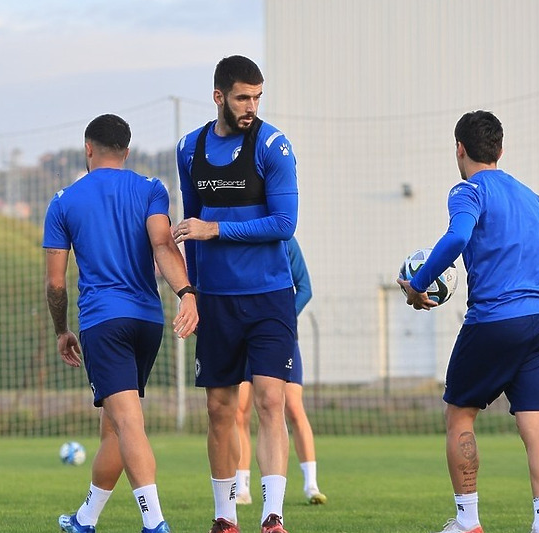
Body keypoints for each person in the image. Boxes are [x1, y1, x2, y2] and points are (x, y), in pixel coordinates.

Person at [396, 110, 539, 533]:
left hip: (494, 320)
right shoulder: (531, 197)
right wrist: (538, 310)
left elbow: (457, 237)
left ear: (459, 148)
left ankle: (467, 521)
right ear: (500, 150)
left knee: (459, 415)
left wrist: (418, 284)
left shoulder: (467, 190)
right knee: (535, 427)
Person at [43, 114, 199, 533]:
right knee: (113, 426)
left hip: (103, 323)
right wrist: (187, 294)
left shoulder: (63, 201)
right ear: (127, 152)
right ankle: (84, 519)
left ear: (87, 148)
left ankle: (155, 523)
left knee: (127, 423)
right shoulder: (151, 189)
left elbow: (55, 283)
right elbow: (163, 244)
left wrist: (62, 331)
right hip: (147, 322)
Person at [173, 55, 298, 533]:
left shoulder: (274, 146)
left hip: (269, 296)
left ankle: (272, 515)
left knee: (269, 400)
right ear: (219, 96)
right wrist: (192, 293)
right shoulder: (189, 148)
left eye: (258, 97)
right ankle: (225, 516)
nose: (252, 106)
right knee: (219, 408)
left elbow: (285, 225)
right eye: (243, 97)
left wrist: (217, 229)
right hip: (216, 299)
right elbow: (190, 225)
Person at [234, 236, 327, 506]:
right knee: (239, 411)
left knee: (293, 409)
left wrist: (281, 319)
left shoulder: (285, 239)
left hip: (280, 338)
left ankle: (311, 485)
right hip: (243, 338)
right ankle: (242, 488)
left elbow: (305, 288)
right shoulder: (240, 237)